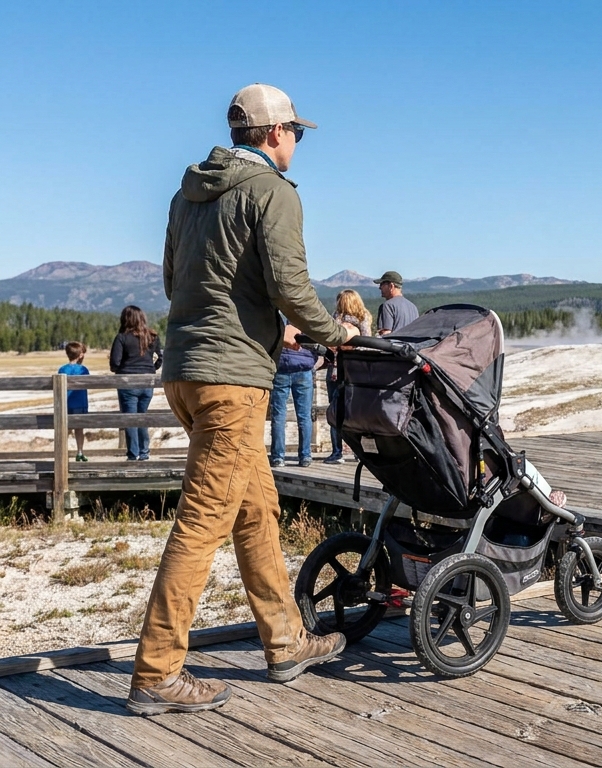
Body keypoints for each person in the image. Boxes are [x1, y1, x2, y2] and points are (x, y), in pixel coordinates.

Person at [127, 83, 352, 716]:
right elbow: (290, 283)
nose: (298, 143)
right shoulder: (272, 193)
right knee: (202, 523)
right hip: (233, 380)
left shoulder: (186, 193)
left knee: (257, 509)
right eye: (296, 133)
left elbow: (175, 280)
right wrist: (334, 334)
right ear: (276, 133)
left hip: (184, 370)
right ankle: (157, 672)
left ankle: (284, 643)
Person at [323, 290, 372, 464]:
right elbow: (367, 344)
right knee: (357, 412)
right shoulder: (364, 318)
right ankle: (360, 452)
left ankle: (337, 452)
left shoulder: (335, 319)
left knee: (335, 411)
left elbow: (328, 343)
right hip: (356, 371)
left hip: (336, 370)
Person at [111, 305, 162, 461]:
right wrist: (151, 369)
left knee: (130, 419)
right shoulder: (152, 337)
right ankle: (144, 452)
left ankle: (133, 454)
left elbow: (114, 362)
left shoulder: (122, 337)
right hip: (147, 382)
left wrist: (121, 370)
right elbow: (161, 358)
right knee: (142, 416)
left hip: (128, 382)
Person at [270, 325, 317, 468]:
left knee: (278, 415)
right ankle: (305, 456)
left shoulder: (277, 319)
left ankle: (278, 457)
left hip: (281, 368)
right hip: (303, 368)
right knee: (304, 416)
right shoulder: (305, 320)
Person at [59, 341, 90, 462]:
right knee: (79, 429)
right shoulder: (83, 370)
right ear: (80, 355)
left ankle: (62, 452)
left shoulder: (62, 369)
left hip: (65, 403)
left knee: (65, 430)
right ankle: (80, 451)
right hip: (80, 403)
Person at [374, 271, 418, 335]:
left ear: (391, 286)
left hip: (395, 344)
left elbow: (385, 333)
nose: (380, 287)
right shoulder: (413, 307)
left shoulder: (387, 306)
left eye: (382, 284)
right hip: (412, 344)